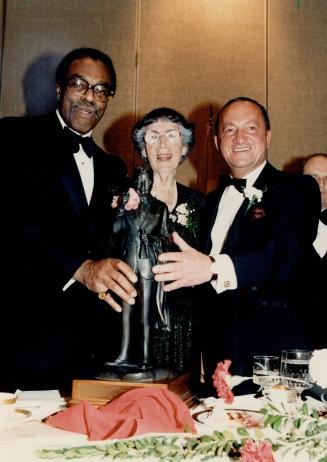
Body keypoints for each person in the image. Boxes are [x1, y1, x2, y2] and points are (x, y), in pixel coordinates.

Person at [152, 97, 321, 394]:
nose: (239, 138)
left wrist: (213, 266)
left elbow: (283, 255)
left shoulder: (298, 189)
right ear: (217, 142)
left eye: (250, 128)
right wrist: (202, 353)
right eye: (229, 130)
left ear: (268, 136)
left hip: (276, 364)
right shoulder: (212, 201)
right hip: (220, 368)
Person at [0, 47, 139, 391]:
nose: (90, 97)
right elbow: (11, 223)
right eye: (80, 84)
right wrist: (82, 268)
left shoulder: (114, 168)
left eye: (102, 89)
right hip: (23, 338)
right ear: (60, 89)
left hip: (90, 349)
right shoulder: (12, 138)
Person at [130, 107, 205, 375]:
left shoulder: (200, 203)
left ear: (184, 147)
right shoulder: (127, 199)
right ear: (143, 149)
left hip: (186, 328)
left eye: (172, 136)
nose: (162, 144)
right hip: (138, 325)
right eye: (153, 137)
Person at [107, 165, 171, 370]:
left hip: (148, 266)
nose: (142, 185)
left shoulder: (160, 208)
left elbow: (165, 237)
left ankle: (145, 357)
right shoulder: (129, 205)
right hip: (127, 263)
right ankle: (124, 355)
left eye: (146, 181)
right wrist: (119, 209)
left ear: (151, 183)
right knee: (125, 313)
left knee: (144, 314)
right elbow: (115, 231)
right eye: (139, 181)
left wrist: (151, 239)